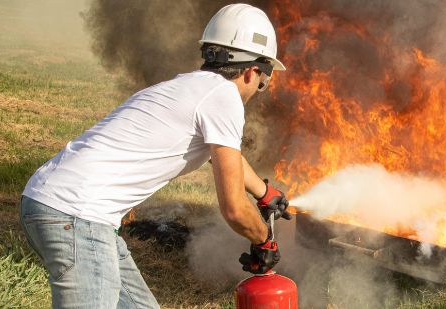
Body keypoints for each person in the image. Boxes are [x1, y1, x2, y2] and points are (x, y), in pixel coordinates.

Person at [19, 4, 290, 308]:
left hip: (61, 205)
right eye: (264, 81)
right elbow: (235, 210)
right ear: (254, 71)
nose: (259, 88)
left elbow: (227, 157)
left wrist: (265, 193)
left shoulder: (192, 88)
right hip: (76, 214)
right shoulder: (224, 98)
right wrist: (264, 239)